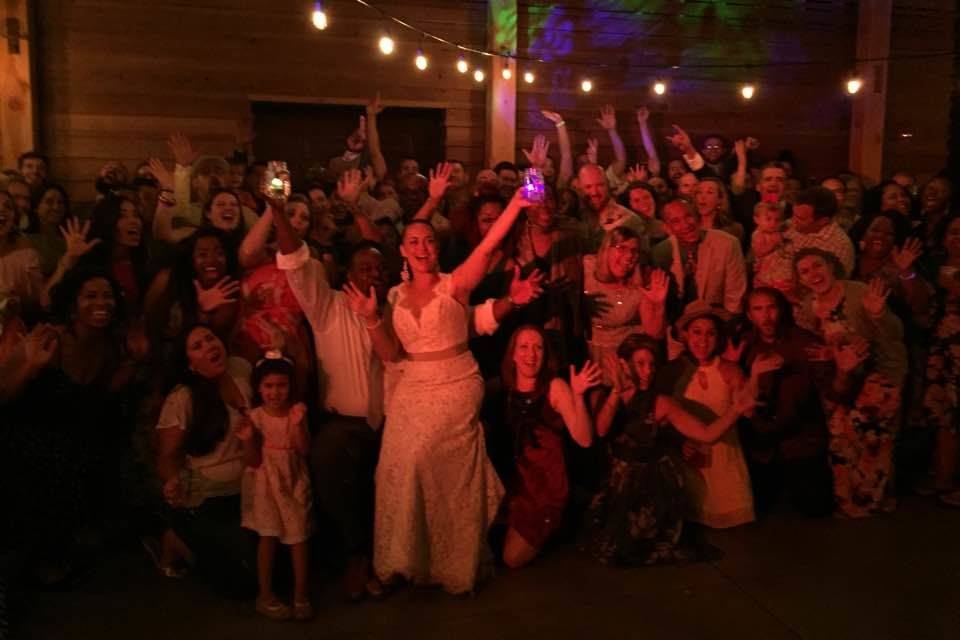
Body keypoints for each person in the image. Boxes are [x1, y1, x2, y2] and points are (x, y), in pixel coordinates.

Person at [343, 187, 533, 595]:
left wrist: (517, 204)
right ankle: (403, 559)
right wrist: (371, 318)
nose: (423, 246)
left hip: (456, 382)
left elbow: (488, 245)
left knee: (424, 456)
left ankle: (455, 562)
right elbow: (392, 355)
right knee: (395, 465)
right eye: (414, 241)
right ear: (403, 250)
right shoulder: (393, 296)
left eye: (428, 240)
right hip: (412, 385)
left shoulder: (455, 284)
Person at [0, 267, 148, 587]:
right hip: (25, 436)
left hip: (70, 441)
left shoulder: (109, 345)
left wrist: (136, 361)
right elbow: (3, 392)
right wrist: (31, 368)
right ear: (72, 304)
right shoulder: (49, 337)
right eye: (90, 296)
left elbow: (102, 397)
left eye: (107, 296)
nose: (101, 303)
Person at [585, 334, 759, 565]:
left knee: (635, 546)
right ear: (624, 364)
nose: (648, 371)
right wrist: (617, 392)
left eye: (652, 364)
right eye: (640, 364)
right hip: (617, 484)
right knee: (607, 547)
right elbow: (601, 429)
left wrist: (736, 409)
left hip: (649, 487)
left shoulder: (661, 403)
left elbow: (707, 434)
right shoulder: (604, 395)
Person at [793, 248, 907, 517]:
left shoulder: (858, 292)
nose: (813, 274)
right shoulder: (809, 306)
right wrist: (829, 355)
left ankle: (868, 503)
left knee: (871, 440)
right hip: (843, 377)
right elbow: (822, 348)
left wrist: (878, 314)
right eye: (804, 271)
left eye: (817, 265)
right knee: (840, 437)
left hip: (880, 374)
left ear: (831, 266)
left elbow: (893, 334)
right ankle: (848, 499)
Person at [155, 324, 259, 597]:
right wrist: (172, 482)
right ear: (189, 364)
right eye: (197, 346)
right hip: (209, 497)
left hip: (250, 487)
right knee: (243, 581)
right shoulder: (183, 398)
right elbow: (167, 456)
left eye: (210, 338)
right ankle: (176, 540)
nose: (210, 346)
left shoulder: (241, 370)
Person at [656, 301, 776, 528]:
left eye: (710, 333)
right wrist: (679, 441)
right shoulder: (673, 371)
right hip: (690, 463)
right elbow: (660, 417)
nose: (703, 340)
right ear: (685, 335)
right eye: (697, 332)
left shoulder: (730, 370)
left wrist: (755, 377)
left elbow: (748, 410)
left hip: (725, 463)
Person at [497, 325, 602, 568]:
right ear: (513, 354)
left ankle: (561, 524)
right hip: (516, 485)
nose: (531, 355)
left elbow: (584, 439)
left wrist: (577, 396)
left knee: (511, 559)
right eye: (524, 347)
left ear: (545, 355)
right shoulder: (509, 389)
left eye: (538, 348)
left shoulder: (555, 387)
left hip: (545, 490)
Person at [737, 288, 836, 517]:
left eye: (771, 307)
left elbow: (834, 392)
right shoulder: (744, 346)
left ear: (781, 310)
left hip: (800, 441)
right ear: (750, 315)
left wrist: (844, 371)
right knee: (756, 510)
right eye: (758, 309)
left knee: (815, 510)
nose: (766, 316)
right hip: (762, 445)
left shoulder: (805, 342)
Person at [241, 352, 314, 621]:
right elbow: (252, 459)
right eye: (268, 386)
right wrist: (248, 440)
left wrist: (296, 426)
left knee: (298, 536)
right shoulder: (256, 417)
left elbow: (304, 449)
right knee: (268, 537)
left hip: (293, 479)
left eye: (281, 385)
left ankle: (300, 593)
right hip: (266, 482)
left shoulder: (296, 413)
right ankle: (265, 594)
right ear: (259, 387)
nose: (275, 392)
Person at [582, 226, 668, 370]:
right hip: (591, 352)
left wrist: (658, 304)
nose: (629, 256)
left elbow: (655, 334)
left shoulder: (641, 281)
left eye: (634, 251)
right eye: (621, 248)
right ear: (607, 249)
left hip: (626, 356)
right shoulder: (587, 267)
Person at [652, 198, 747, 318]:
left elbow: (735, 298)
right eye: (676, 221)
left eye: (688, 216)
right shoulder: (661, 252)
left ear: (697, 217)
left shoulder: (727, 244)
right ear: (667, 228)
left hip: (717, 320)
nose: (686, 225)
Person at [922, 215, 960, 506]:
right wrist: (908, 271)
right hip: (936, 347)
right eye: (952, 232)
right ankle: (940, 477)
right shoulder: (933, 263)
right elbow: (912, 283)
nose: (956, 238)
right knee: (940, 413)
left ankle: (949, 481)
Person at [785, 186, 856, 277]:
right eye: (794, 215)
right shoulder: (788, 225)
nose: (793, 221)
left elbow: (831, 285)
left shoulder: (840, 247)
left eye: (800, 218)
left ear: (823, 221)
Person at [577, 163, 647, 252]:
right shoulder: (577, 215)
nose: (594, 192)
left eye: (600, 185)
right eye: (588, 187)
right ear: (579, 189)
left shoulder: (631, 221)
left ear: (608, 185)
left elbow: (643, 258)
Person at [0, 190, 42, 315]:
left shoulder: (26, 259)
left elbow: (39, 302)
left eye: (8, 207)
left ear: (14, 219)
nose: (1, 210)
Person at [26, 183, 71, 276]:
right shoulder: (25, 240)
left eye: (60, 202)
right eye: (49, 202)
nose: (56, 207)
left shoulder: (71, 237)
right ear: (36, 207)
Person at [751, 201, 793, 295]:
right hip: (767, 276)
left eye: (777, 220)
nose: (773, 223)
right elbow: (759, 252)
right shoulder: (758, 234)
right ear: (757, 219)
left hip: (782, 273)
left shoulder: (779, 232)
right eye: (768, 219)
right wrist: (773, 244)